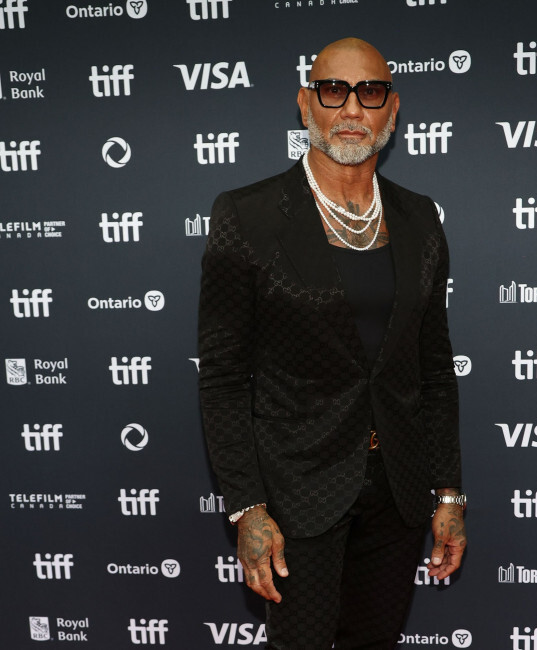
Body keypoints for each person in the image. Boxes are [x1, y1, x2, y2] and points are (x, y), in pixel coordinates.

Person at [198, 37, 466, 650]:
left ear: (391, 109)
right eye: (332, 91)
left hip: (397, 490)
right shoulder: (248, 216)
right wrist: (247, 507)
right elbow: (222, 377)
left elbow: (433, 369)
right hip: (297, 490)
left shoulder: (420, 219)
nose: (350, 109)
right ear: (305, 104)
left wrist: (449, 492)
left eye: (369, 92)